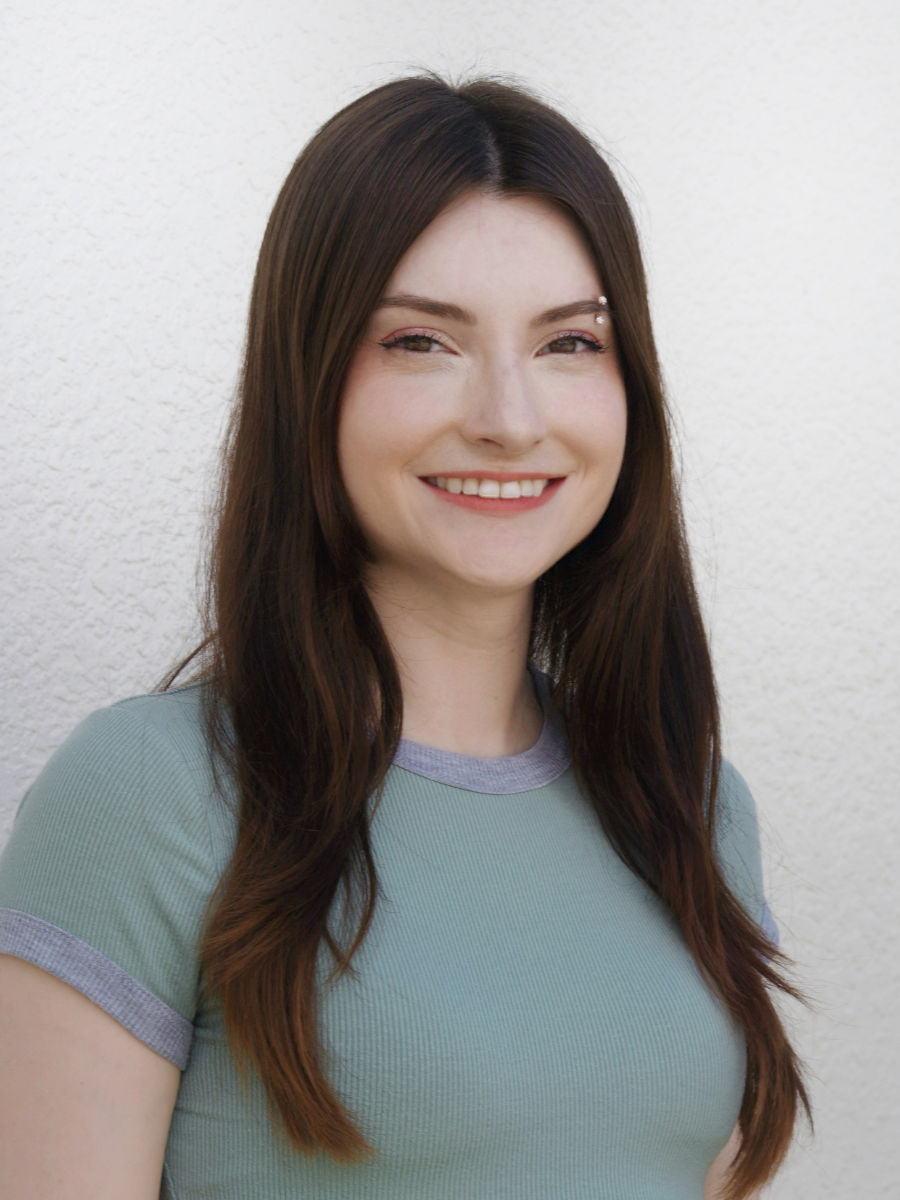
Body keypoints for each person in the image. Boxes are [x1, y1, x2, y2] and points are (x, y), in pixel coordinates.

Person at [0, 75, 807, 1200]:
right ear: (310, 374)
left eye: (571, 344)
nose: (511, 418)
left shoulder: (696, 810)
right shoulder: (147, 795)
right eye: (423, 341)